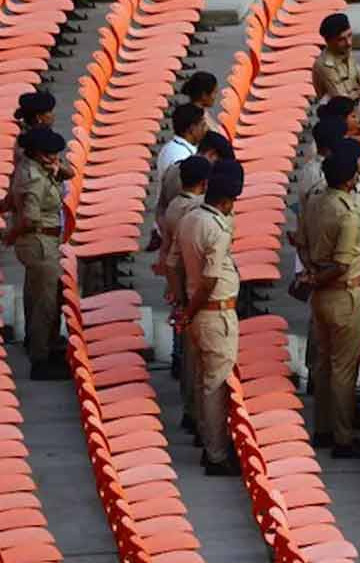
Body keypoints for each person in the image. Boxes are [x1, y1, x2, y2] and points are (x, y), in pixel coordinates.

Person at [297, 148, 360, 458]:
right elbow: (342, 264)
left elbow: (301, 243)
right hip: (343, 293)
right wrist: (319, 277)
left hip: (321, 296)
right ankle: (342, 437)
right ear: (348, 180)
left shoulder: (314, 201)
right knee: (343, 369)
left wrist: (313, 273)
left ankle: (323, 428)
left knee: (324, 364)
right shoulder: (347, 212)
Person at [174, 159, 245, 476]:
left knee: (205, 382)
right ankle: (216, 454)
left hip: (198, 310)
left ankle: (209, 443)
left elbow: (173, 263)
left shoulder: (190, 218)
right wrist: (188, 311)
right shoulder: (215, 228)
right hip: (214, 313)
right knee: (216, 385)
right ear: (226, 201)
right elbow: (210, 279)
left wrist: (182, 304)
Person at [8, 129, 70, 380]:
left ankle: (46, 346)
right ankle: (40, 360)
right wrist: (8, 236)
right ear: (38, 153)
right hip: (39, 241)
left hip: (46, 239)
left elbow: (71, 174)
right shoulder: (32, 177)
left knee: (46, 299)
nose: (55, 157)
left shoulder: (40, 168)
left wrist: (56, 166)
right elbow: (29, 218)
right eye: (51, 153)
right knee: (44, 304)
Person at [162, 156, 212, 440]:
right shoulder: (194, 210)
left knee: (190, 357)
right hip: (192, 285)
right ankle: (197, 416)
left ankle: (192, 412)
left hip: (181, 283)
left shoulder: (173, 207)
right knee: (198, 361)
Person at [149, 103, 209, 252]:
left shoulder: (175, 148)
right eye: (201, 125)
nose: (205, 129)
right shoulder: (179, 156)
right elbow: (179, 196)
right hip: (175, 227)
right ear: (191, 128)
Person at [312, 13, 360, 103]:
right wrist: (359, 93)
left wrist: (355, 95)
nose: (349, 43)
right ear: (328, 42)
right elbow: (343, 102)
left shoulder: (346, 52)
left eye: (350, 35)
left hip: (354, 111)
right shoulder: (324, 66)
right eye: (341, 39)